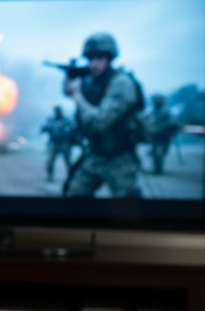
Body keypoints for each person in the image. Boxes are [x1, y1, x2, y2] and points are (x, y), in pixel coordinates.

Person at [62, 32, 145, 198]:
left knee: (130, 211)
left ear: (110, 59)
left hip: (119, 159)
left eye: (99, 59)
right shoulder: (91, 81)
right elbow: (69, 93)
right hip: (95, 155)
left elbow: (100, 121)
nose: (93, 65)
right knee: (72, 198)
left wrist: (77, 96)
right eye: (90, 59)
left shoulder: (121, 83)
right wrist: (68, 83)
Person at [143, 93, 180, 174]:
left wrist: (172, 126)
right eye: (156, 100)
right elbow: (144, 120)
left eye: (159, 100)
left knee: (161, 152)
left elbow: (173, 122)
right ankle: (156, 168)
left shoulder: (167, 111)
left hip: (164, 135)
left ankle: (159, 168)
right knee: (154, 152)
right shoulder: (149, 111)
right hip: (153, 135)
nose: (158, 101)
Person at [41, 105, 75, 182]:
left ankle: (71, 177)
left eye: (58, 112)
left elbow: (72, 129)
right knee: (50, 161)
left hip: (64, 142)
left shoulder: (66, 120)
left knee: (68, 161)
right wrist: (46, 129)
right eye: (56, 112)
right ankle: (50, 176)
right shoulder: (51, 120)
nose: (57, 113)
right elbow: (44, 128)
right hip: (54, 142)